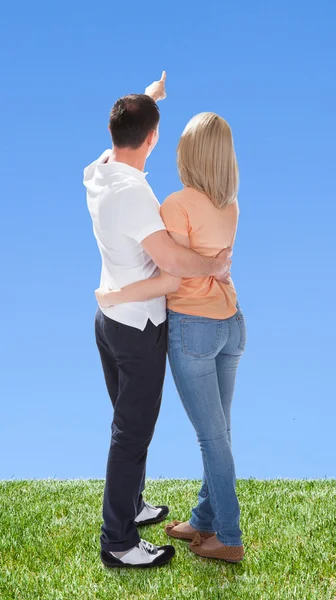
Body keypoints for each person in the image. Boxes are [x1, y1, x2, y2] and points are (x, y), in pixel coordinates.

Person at [84, 73, 232, 569]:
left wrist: (150, 96)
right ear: (153, 138)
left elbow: (128, 126)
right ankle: (119, 542)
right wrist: (214, 266)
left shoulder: (99, 169)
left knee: (128, 424)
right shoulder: (137, 197)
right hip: (137, 328)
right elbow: (174, 270)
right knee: (132, 433)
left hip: (108, 322)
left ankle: (133, 503)